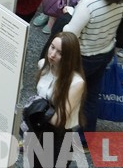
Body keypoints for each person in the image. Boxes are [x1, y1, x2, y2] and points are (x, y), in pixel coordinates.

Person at [63, 0, 123, 144]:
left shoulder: (89, 4)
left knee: (67, 93)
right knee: (91, 96)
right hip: (105, 52)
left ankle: (59, 133)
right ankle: (85, 139)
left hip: (83, 57)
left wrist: (70, 15)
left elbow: (71, 33)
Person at [30, 32, 85, 166]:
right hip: (38, 129)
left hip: (59, 137)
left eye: (60, 52)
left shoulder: (76, 83)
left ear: (69, 58)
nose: (52, 54)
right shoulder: (43, 65)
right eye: (52, 47)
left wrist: (34, 107)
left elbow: (59, 119)